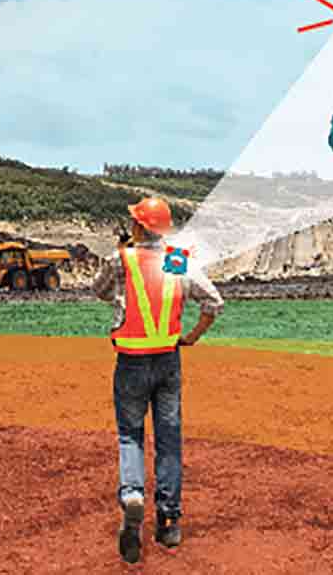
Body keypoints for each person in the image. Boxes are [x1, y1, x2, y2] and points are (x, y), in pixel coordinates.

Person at [91, 196, 225, 564]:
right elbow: (213, 301)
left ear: (137, 227)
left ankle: (133, 497)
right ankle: (168, 522)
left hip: (131, 363)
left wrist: (121, 253)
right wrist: (195, 334)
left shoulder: (123, 259)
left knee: (130, 435)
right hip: (168, 360)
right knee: (168, 440)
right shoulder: (178, 260)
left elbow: (99, 292)